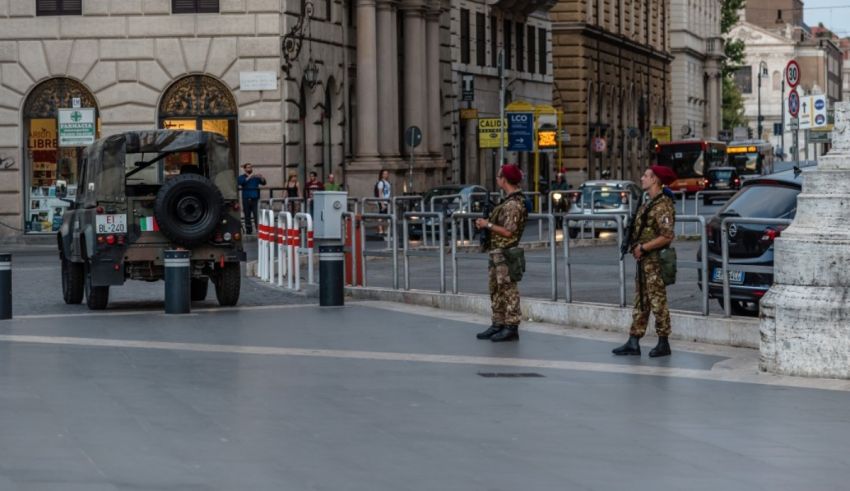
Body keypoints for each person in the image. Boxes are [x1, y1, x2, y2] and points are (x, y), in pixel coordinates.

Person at [612, 165, 677, 358]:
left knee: (658, 301)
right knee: (641, 301)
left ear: (655, 179)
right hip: (644, 261)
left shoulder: (663, 205)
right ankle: (634, 340)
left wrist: (643, 248)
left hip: (655, 261)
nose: (642, 178)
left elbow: (667, 236)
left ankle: (663, 342)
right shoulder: (648, 202)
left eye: (646, 175)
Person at [474, 164, 528, 342]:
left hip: (507, 253)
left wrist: (487, 224)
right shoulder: (507, 201)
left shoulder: (513, 204)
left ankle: (511, 327)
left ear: (504, 180)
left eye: (498, 176)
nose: (497, 179)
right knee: (496, 289)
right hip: (497, 252)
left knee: (508, 290)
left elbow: (508, 232)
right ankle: (498, 323)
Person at [237, 163, 265, 235]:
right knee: (247, 215)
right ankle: (249, 230)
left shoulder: (255, 177)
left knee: (256, 214)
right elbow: (241, 183)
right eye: (248, 167)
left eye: (251, 167)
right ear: (245, 169)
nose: (250, 168)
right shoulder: (241, 177)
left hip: (255, 198)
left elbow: (264, 183)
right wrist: (250, 176)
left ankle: (258, 229)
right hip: (246, 198)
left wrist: (261, 177)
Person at [375, 169, 391, 235]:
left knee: (386, 216)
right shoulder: (381, 183)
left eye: (387, 174)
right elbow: (380, 193)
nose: (386, 175)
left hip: (387, 201)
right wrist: (382, 203)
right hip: (382, 201)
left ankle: (384, 230)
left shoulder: (387, 182)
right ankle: (380, 230)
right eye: (384, 174)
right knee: (381, 216)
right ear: (381, 175)